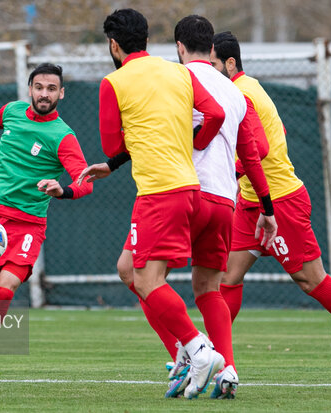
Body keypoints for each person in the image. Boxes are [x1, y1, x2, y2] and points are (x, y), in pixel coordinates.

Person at [80, 15, 278, 399]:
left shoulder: (173, 75)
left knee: (137, 274)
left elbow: (141, 134)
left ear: (179, 47)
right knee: (209, 288)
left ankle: (189, 350)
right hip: (224, 197)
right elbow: (257, 153)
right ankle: (228, 369)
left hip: (175, 190)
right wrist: (266, 207)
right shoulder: (236, 92)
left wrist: (120, 159)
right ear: (216, 51)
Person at [211, 31, 331, 382]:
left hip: (280, 201)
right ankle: (215, 358)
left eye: (213, 63)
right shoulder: (247, 89)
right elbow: (279, 130)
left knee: (310, 280)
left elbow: (258, 149)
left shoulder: (242, 93)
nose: (209, 70)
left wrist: (226, 170)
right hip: (249, 201)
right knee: (227, 278)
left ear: (230, 63)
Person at [95, 8, 226, 399]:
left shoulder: (113, 82)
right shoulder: (178, 72)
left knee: (147, 280)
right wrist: (193, 141)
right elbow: (214, 113)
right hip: (188, 189)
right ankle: (187, 351)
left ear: (114, 45)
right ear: (148, 41)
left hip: (158, 192)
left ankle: (198, 349)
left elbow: (113, 147)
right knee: (126, 269)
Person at [0, 63, 93, 374]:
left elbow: (85, 181)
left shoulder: (63, 136)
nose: (44, 94)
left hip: (27, 226)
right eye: (39, 87)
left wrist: (62, 191)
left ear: (61, 93)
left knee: (3, 290)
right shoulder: (13, 111)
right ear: (30, 89)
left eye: (51, 89)